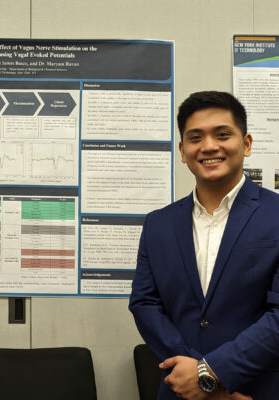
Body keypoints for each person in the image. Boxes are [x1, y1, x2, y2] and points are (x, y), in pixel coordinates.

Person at [129, 91, 279, 400]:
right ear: (183, 151)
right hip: (181, 392)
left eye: (223, 134)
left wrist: (213, 372)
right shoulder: (158, 223)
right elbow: (144, 304)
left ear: (246, 144)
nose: (209, 146)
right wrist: (200, 378)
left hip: (255, 391)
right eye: (196, 138)